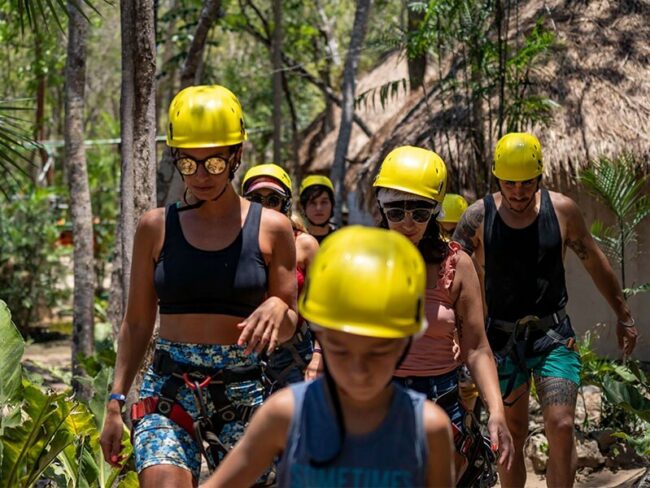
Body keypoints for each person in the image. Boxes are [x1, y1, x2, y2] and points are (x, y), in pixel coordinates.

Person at [99, 85, 298, 487]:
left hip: (242, 390)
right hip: (169, 387)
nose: (201, 175)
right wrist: (115, 401)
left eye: (214, 163)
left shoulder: (272, 228)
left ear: (236, 156)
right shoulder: (155, 227)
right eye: (188, 164)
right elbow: (137, 322)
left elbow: (291, 321)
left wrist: (280, 308)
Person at [202, 226, 455, 488]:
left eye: (377, 352)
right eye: (341, 350)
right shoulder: (285, 415)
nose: (358, 369)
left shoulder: (427, 428)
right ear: (320, 338)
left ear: (405, 343)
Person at [453, 132, 638, 488]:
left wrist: (624, 315)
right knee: (512, 432)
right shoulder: (477, 218)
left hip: (553, 336)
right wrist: (454, 332)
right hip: (501, 339)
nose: (519, 192)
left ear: (540, 176)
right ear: (497, 178)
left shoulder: (563, 210)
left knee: (562, 425)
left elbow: (594, 262)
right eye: (510, 183)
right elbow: (448, 275)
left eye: (527, 183)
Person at [373, 146, 513, 486]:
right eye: (396, 210)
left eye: (420, 212)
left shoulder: (456, 264)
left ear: (435, 211)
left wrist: (496, 410)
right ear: (381, 206)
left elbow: (477, 347)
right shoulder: (362, 260)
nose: (407, 222)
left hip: (443, 400)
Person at [241, 163, 323, 384]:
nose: (265, 207)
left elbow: (323, 308)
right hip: (244, 355)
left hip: (295, 354)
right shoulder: (233, 243)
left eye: (273, 200)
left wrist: (319, 355)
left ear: (285, 204)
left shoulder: (305, 245)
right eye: (256, 200)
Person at [298, 175, 336, 243]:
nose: (318, 208)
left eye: (324, 202)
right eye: (312, 203)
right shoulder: (294, 241)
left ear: (332, 205)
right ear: (303, 207)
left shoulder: (343, 240)